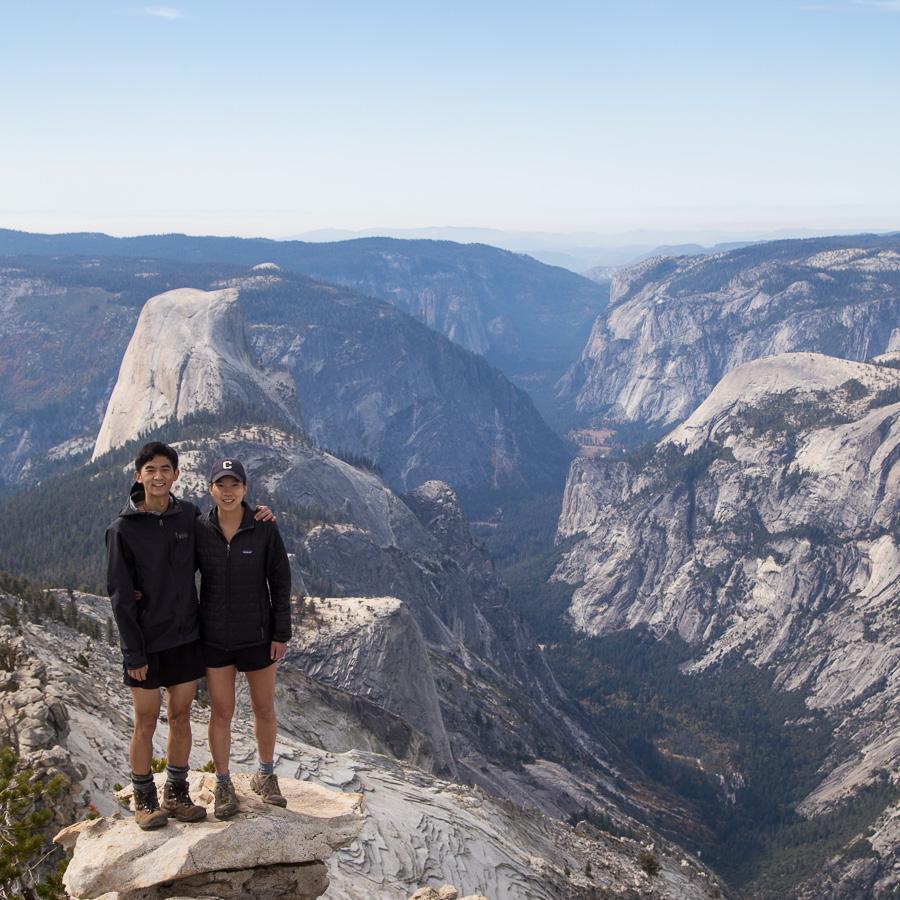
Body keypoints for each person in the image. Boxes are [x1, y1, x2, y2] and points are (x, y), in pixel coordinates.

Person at [106, 441, 273, 830]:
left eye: (166, 469)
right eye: (151, 470)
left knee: (181, 717)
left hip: (185, 638)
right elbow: (119, 597)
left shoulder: (189, 518)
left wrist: (258, 515)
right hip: (146, 643)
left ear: (177, 474)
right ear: (138, 476)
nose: (159, 476)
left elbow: (222, 537)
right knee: (145, 721)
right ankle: (144, 799)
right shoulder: (122, 529)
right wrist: (134, 654)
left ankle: (176, 793)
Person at [195, 458, 291, 819]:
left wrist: (281, 631)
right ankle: (223, 782)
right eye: (221, 484)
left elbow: (280, 581)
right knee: (221, 712)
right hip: (215, 637)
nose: (228, 491)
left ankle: (265, 775)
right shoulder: (200, 529)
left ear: (246, 489)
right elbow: (176, 570)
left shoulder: (264, 528)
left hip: (258, 636)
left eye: (235, 484)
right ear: (211, 489)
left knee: (264, 708)